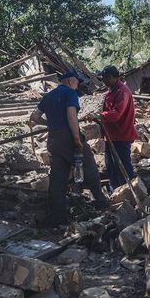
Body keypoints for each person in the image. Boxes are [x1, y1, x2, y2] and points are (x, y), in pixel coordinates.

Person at [30, 71, 107, 227]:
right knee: (90, 169)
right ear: (71, 80)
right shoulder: (70, 93)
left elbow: (34, 117)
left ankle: (57, 217)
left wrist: (52, 125)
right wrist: (77, 139)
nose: (77, 85)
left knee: (58, 178)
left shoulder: (48, 96)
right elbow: (71, 116)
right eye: (77, 82)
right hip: (68, 138)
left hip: (54, 139)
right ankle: (101, 203)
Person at [94, 65, 138, 192]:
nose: (104, 80)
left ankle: (129, 191)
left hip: (121, 134)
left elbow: (117, 113)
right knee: (111, 165)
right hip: (111, 135)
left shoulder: (122, 91)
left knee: (123, 165)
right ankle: (115, 191)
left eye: (106, 78)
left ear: (113, 78)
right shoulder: (111, 91)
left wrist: (99, 116)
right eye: (103, 78)